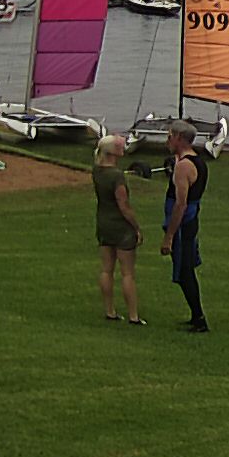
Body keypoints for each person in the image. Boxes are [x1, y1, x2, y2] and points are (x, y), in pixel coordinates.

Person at [160, 120, 209, 333]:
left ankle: (199, 319)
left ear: (179, 138)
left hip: (183, 224)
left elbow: (181, 204)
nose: (167, 141)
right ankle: (196, 316)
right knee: (185, 269)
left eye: (170, 136)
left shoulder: (184, 167)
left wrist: (169, 236)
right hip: (189, 221)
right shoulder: (196, 162)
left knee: (184, 270)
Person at [93, 135, 144, 324]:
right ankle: (133, 315)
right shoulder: (117, 176)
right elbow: (124, 205)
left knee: (107, 269)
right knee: (127, 273)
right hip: (120, 226)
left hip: (104, 222)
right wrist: (136, 226)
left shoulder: (97, 171)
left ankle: (110, 311)